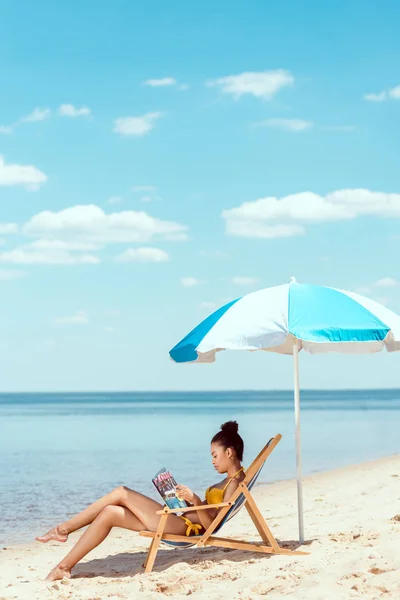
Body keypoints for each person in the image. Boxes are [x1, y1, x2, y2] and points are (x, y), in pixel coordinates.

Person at [36, 421, 245, 581]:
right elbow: (208, 513)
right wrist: (184, 503)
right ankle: (64, 567)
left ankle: (62, 530)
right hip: (178, 520)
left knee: (121, 492)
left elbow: (210, 526)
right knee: (110, 512)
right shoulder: (228, 481)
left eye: (215, 455)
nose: (212, 461)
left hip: (183, 528)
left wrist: (196, 500)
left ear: (229, 452)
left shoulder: (234, 484)